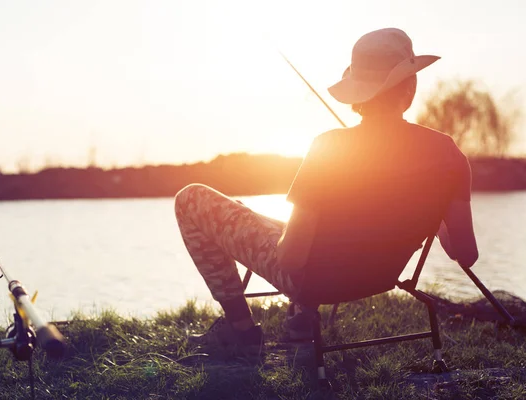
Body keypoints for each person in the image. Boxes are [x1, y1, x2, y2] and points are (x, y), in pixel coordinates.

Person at [174, 28, 478, 351]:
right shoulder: (448, 154)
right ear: (411, 87)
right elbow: (466, 253)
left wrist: (270, 238)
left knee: (191, 199)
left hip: (315, 282)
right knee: (247, 214)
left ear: (357, 94)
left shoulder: (329, 148)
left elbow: (291, 260)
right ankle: (300, 319)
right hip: (379, 276)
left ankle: (241, 330)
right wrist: (437, 213)